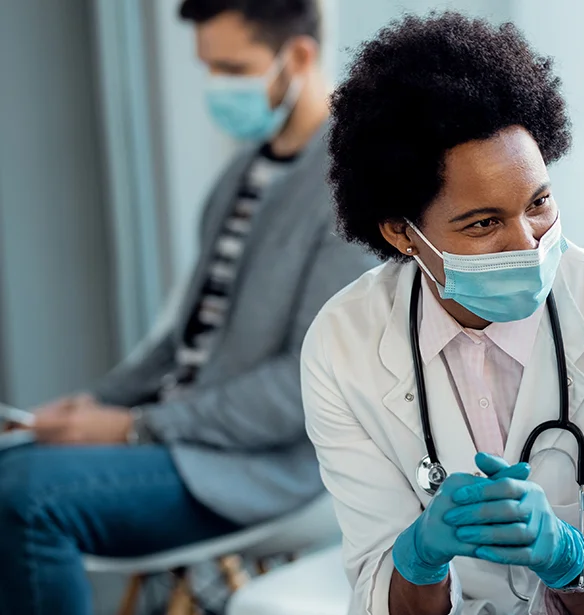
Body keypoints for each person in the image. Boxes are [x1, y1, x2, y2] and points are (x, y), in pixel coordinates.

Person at [302, 11, 584, 615]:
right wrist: (418, 559)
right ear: (401, 233)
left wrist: (574, 560)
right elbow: (380, 594)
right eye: (484, 223)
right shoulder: (343, 344)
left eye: (538, 202)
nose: (529, 242)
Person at [0, 1, 376, 613]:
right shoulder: (239, 179)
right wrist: (97, 404)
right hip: (180, 438)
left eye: (233, 68)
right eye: (209, 68)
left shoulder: (348, 189)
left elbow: (304, 384)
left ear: (300, 56)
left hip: (261, 467)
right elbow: (183, 344)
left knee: (26, 498)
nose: (217, 87)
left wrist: (135, 426)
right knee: (15, 461)